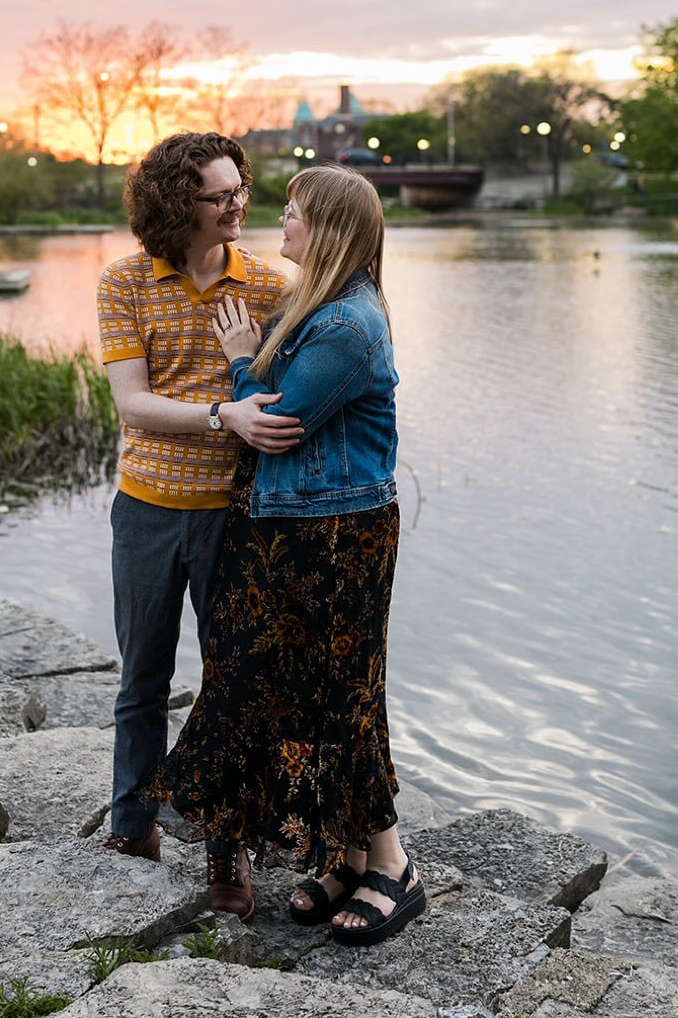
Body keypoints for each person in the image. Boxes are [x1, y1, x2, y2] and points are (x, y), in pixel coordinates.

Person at [151, 163, 425, 946]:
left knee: (342, 694)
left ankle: (394, 869)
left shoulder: (346, 326)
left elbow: (280, 420)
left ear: (329, 229)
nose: (282, 220)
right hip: (301, 527)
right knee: (308, 692)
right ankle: (343, 857)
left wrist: (241, 361)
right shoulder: (322, 306)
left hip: (339, 537)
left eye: (295, 211)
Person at [96, 131, 298, 865]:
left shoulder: (273, 286)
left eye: (241, 189)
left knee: (235, 684)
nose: (240, 204)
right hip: (146, 510)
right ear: (179, 205)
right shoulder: (123, 283)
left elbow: (286, 396)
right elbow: (133, 405)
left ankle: (229, 847)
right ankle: (133, 824)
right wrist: (223, 415)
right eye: (222, 196)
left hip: (237, 516)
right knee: (142, 679)